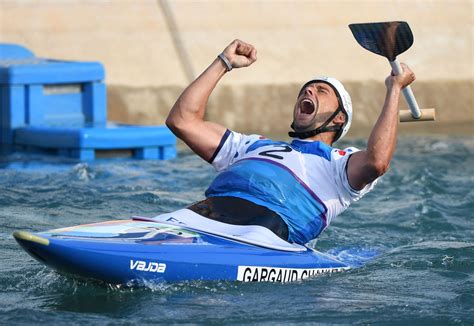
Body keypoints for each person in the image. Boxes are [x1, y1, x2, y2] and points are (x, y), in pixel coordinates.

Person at [166, 39, 416, 245]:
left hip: (264, 230)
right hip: (204, 211)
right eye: (306, 90)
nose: (308, 92)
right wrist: (223, 62)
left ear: (339, 118)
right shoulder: (251, 145)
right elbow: (182, 121)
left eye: (321, 91)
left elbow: (377, 161)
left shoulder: (338, 166)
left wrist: (394, 89)